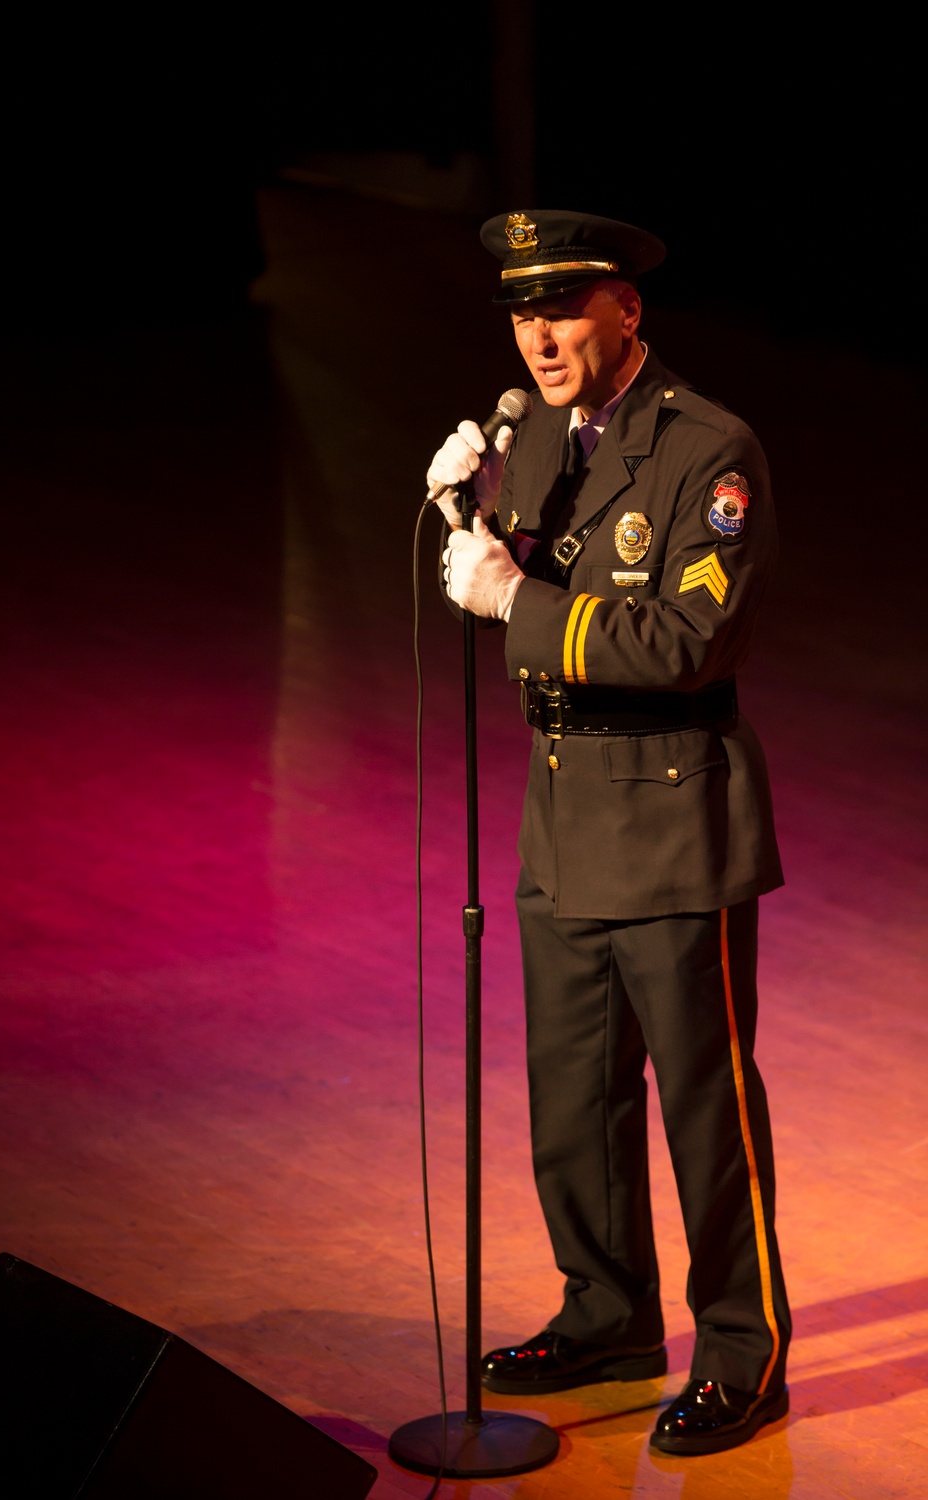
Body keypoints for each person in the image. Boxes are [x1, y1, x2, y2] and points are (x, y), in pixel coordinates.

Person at [427, 210, 791, 1457]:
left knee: (703, 1108)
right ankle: (609, 1314)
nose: (540, 334)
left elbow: (682, 643)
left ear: (626, 311)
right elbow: (534, 577)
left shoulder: (707, 450)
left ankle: (742, 1355)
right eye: (523, 313)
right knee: (572, 1099)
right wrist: (466, 518)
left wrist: (513, 597)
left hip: (673, 823)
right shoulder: (537, 440)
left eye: (565, 307)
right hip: (562, 817)